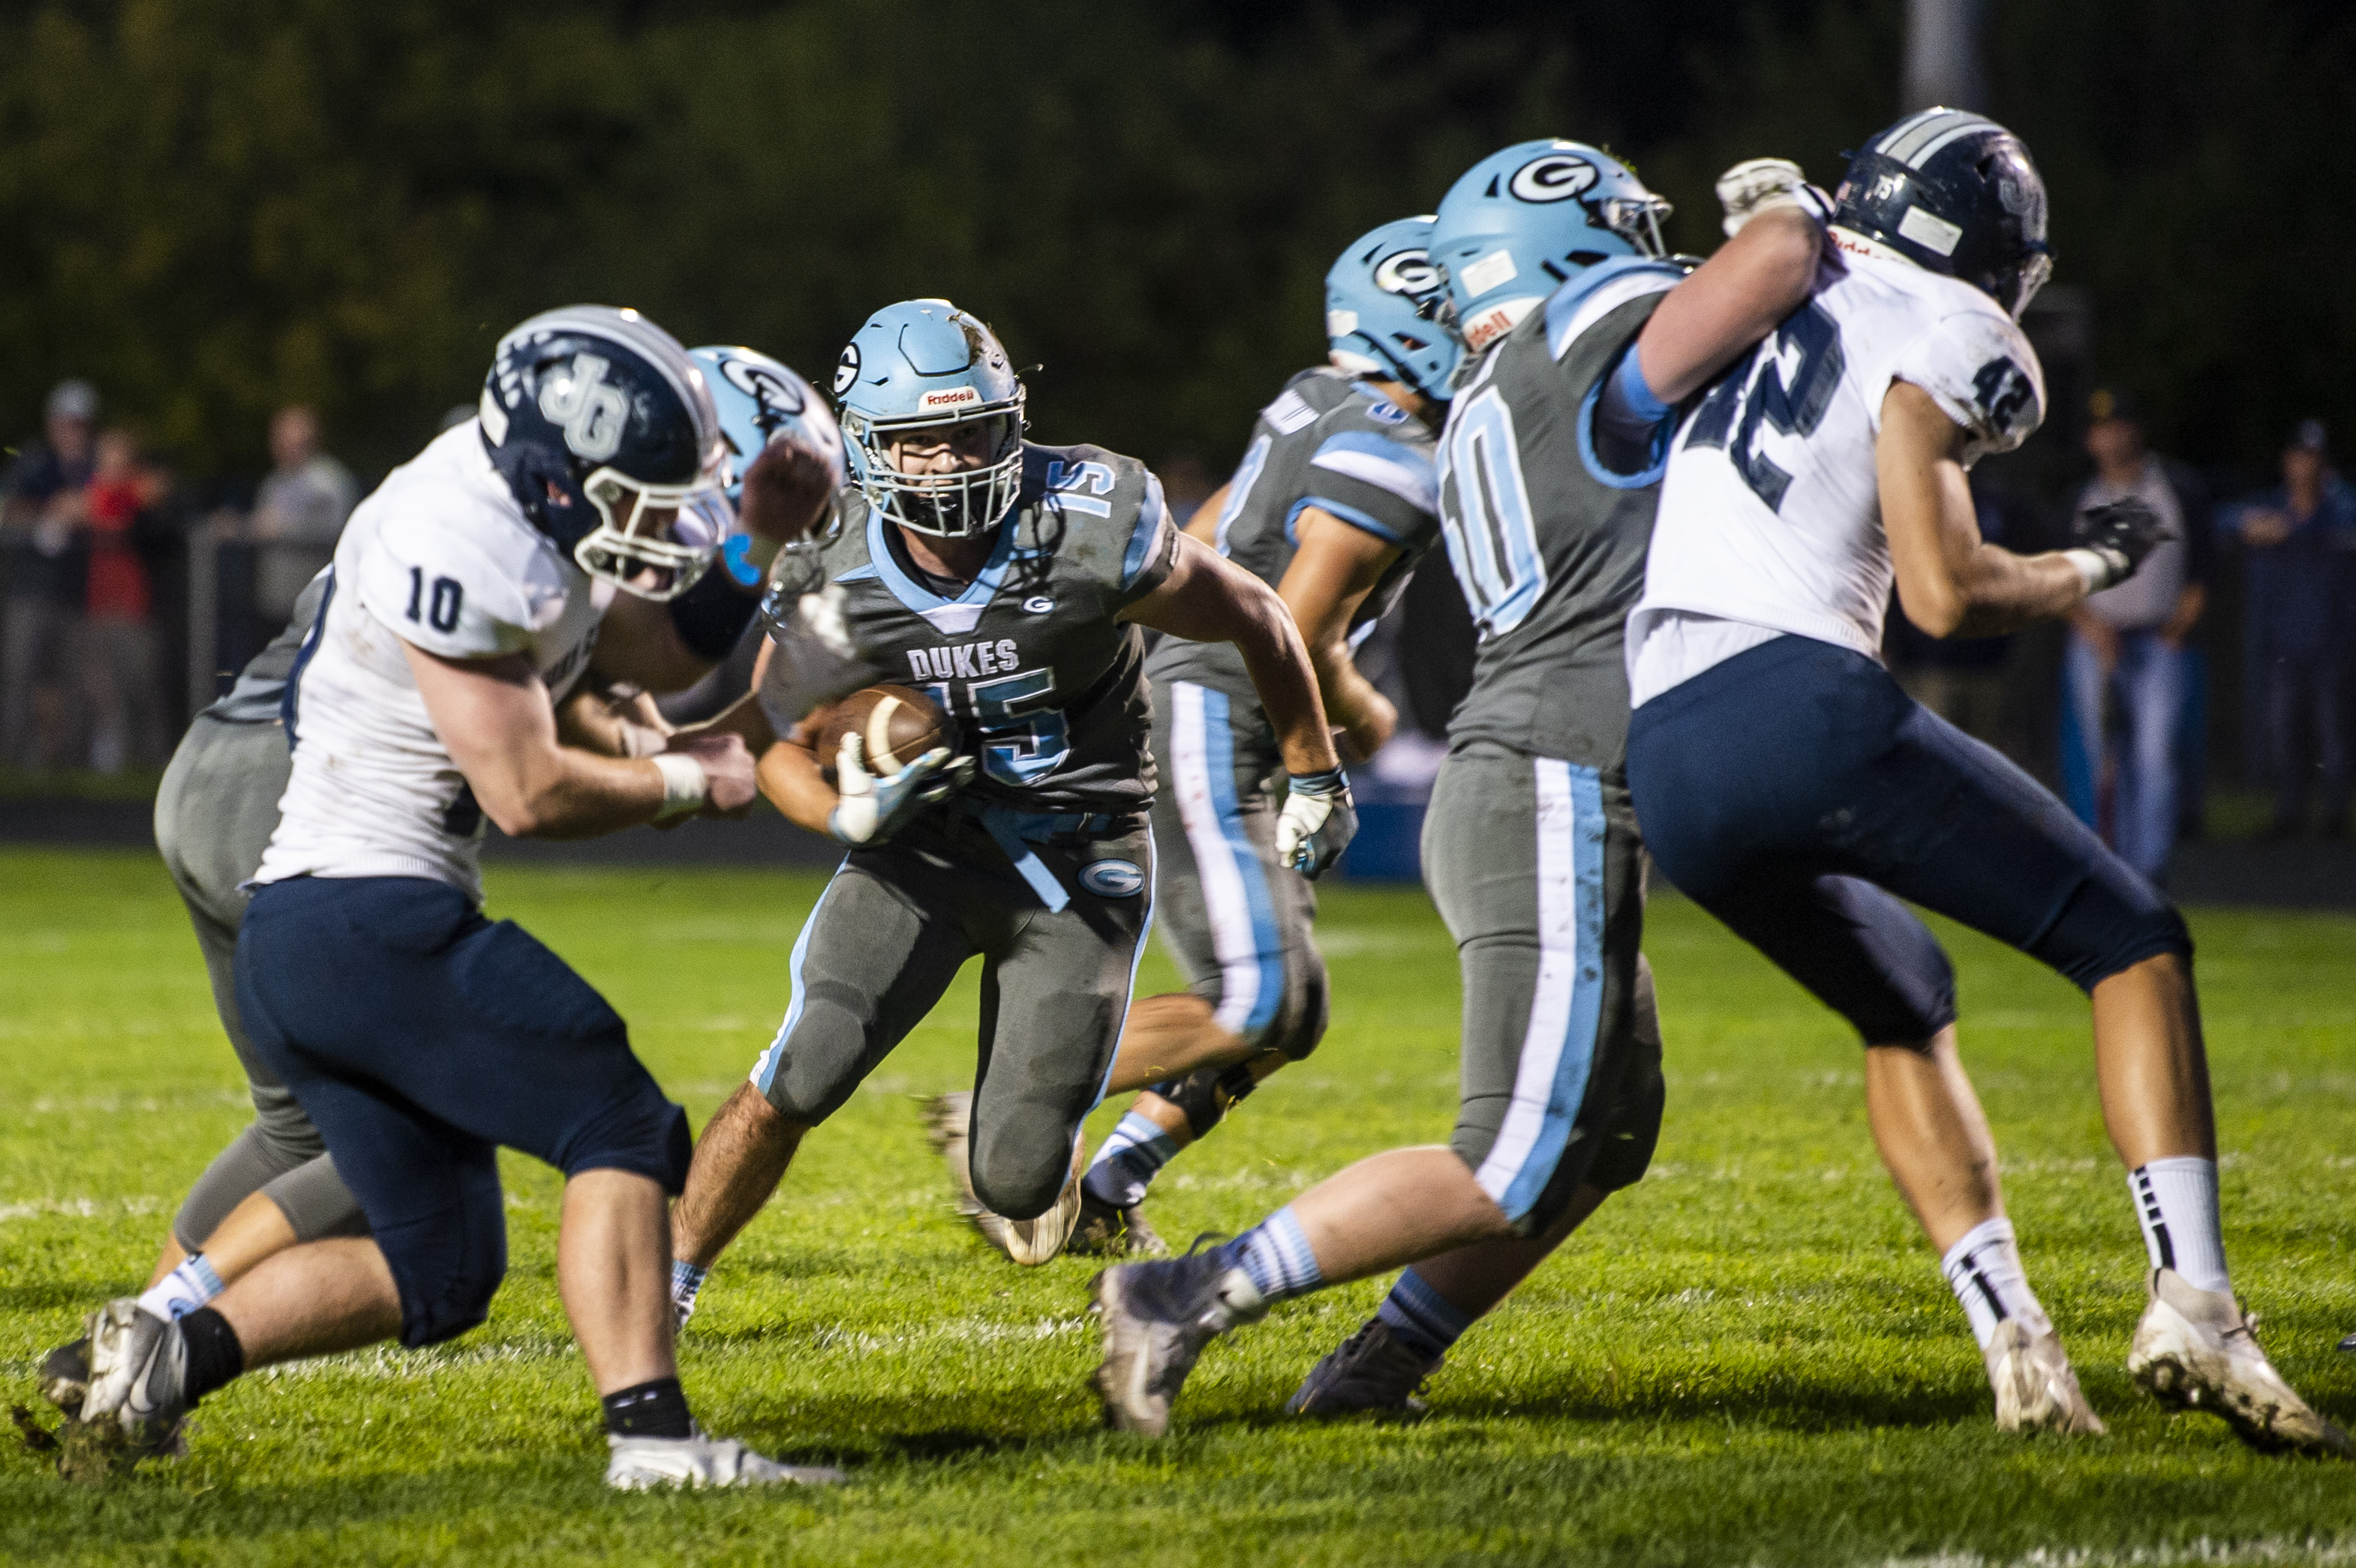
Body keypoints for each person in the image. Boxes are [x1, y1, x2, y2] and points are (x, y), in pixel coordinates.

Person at [1620, 110, 2341, 1452]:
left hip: (1663, 743)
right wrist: (2087, 571)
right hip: (1794, 698)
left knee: (1905, 1001)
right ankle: (2197, 1302)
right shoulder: (1956, 324)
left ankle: (2015, 1339)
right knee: (2134, 940)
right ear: (1996, 253)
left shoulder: (1786, 286)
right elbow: (1946, 593)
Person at [1087, 142, 1829, 1434]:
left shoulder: (1497, 389)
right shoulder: (1570, 354)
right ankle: (1185, 1290)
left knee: (1609, 1130)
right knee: (1510, 1150)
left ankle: (1378, 1366)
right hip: (1549, 785)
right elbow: (1767, 264)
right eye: (1622, 230)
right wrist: (1789, 211)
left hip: (1554, 780)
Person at [66, 305, 850, 1490]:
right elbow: (527, 788)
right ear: (555, 467)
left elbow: (640, 650)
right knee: (623, 1119)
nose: (651, 518)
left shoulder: (517, 510)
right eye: (631, 492)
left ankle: (160, 1358)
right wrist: (687, 775)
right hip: (361, 909)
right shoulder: (463, 538)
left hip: (321, 922)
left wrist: (748, 545)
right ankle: (652, 1439)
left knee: (440, 1262)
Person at [664, 298, 1355, 1319]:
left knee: (1019, 1181)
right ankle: (664, 1284)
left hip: (1083, 856)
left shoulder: (1087, 522)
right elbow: (775, 738)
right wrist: (841, 818)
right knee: (805, 1065)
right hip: (925, 851)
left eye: (967, 432)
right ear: (866, 443)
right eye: (915, 440)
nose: (945, 461)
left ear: (1009, 420)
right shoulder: (835, 558)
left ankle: (1029, 1138)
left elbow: (1255, 611)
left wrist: (1315, 772)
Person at [931, 218, 1459, 1263]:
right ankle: (1012, 1111)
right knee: (1255, 993)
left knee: (1290, 1011)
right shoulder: (1397, 455)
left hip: (1206, 702)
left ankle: (1113, 1181)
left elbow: (1203, 535)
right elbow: (1295, 624)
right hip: (1224, 710)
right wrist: (1363, 720)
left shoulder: (1317, 394)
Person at [2061, 388, 2212, 877]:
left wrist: (2180, 625)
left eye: (2119, 426)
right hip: (2096, 640)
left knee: (2154, 754)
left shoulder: (2176, 488)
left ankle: (2149, 869)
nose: (2111, 437)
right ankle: (2109, 861)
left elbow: (2204, 567)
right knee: (2103, 756)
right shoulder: (2079, 497)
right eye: (2101, 429)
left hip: (2157, 638)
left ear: (2136, 430)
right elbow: (2054, 578)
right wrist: (2089, 625)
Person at [2229, 419, 2356, 840]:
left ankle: (2335, 817)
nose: (2307, 467)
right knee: (2283, 733)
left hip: (2331, 644)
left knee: (2333, 733)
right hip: (2282, 644)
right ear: (2288, 461)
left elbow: (2339, 526)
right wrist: (2252, 525)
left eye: (2315, 458)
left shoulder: (2339, 509)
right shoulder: (2269, 507)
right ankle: (2290, 813)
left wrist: (2293, 528)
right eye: (2301, 457)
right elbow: (2224, 522)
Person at [1, 380, 98, 769]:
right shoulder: (33, 463)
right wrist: (50, 511)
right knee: (20, 676)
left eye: (79, 424)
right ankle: (11, 760)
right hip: (30, 590)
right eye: (65, 422)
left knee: (74, 682)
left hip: (76, 594)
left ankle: (68, 764)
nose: (71, 431)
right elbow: (8, 508)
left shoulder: (95, 467)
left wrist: (81, 508)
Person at [73, 428, 171, 772]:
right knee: (102, 687)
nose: (111, 468)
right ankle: (110, 760)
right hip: (99, 605)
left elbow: (149, 495)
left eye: (118, 461)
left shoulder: (138, 495)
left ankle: (154, 758)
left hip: (135, 606)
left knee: (142, 685)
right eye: (106, 461)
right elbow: (81, 507)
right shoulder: (98, 494)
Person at [246, 404, 357, 628]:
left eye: (293, 440)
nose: (284, 447)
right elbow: (262, 524)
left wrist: (283, 528)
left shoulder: (329, 481)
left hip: (316, 605)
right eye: (279, 439)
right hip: (276, 603)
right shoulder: (274, 482)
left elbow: (336, 529)